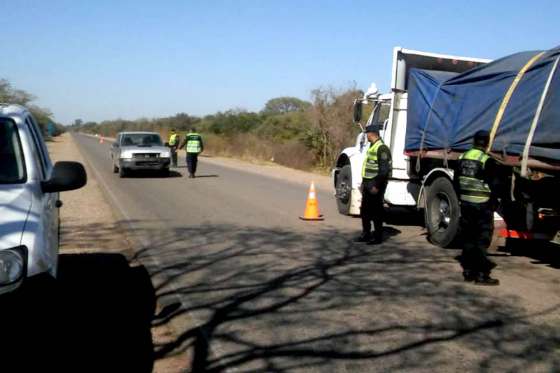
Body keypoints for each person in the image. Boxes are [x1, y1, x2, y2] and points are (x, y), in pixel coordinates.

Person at [454, 130, 499, 286]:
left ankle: (468, 271)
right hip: (482, 206)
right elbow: (494, 187)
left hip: (466, 204)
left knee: (468, 238)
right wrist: (493, 204)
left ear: (473, 141)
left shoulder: (461, 158)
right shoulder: (487, 161)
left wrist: (462, 199)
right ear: (487, 143)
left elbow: (456, 182)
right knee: (481, 240)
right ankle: (481, 275)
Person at [355, 124, 392, 245]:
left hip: (376, 184)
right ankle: (366, 234)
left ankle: (377, 237)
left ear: (372, 134)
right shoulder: (372, 146)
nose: (366, 136)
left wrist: (376, 186)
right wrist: (364, 183)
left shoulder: (382, 149)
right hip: (368, 183)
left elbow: (384, 171)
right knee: (365, 210)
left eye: (367, 133)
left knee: (376, 211)